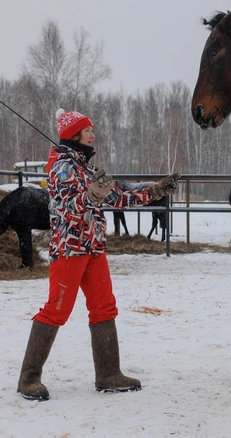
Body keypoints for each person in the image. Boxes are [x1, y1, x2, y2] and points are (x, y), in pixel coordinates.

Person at [17, 108, 180, 401]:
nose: (94, 134)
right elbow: (67, 208)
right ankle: (29, 378)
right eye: (88, 130)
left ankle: (109, 374)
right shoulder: (62, 168)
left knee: (104, 306)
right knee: (56, 310)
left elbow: (118, 197)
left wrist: (154, 191)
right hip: (70, 249)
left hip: (94, 248)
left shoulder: (87, 169)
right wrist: (91, 196)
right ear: (75, 135)